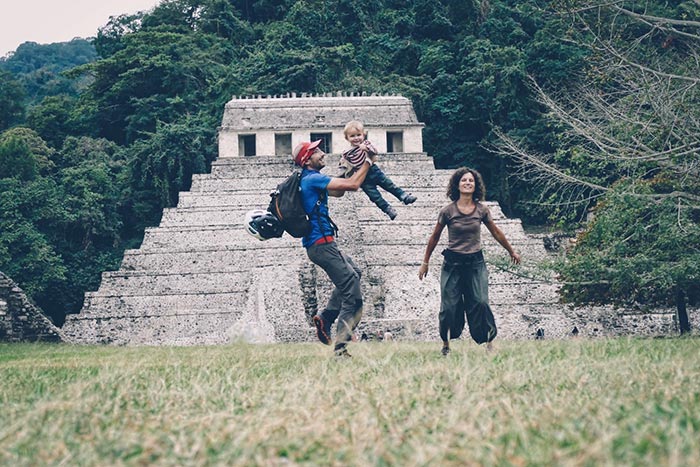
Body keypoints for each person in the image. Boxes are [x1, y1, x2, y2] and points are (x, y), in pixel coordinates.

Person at [418, 167, 521, 355]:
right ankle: (446, 344)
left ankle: (489, 342)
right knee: (449, 307)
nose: (467, 183)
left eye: (471, 181)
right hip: (452, 264)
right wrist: (425, 262)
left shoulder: (482, 210)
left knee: (481, 302)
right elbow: (434, 237)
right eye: (464, 180)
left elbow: (496, 232)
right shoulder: (447, 211)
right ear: (457, 185)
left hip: (475, 263)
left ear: (476, 186)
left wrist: (511, 251)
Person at [293, 139, 372, 357]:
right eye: (317, 151)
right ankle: (340, 348)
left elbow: (339, 191)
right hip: (322, 244)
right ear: (307, 160)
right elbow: (354, 185)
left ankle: (326, 317)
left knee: (354, 272)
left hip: (322, 244)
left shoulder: (309, 180)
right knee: (353, 295)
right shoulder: (312, 179)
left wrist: (348, 166)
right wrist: (368, 162)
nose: (322, 153)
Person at [339, 120, 417, 220]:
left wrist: (366, 149)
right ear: (347, 138)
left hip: (373, 170)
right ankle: (388, 209)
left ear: (364, 135)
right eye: (352, 136)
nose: (356, 138)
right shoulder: (347, 152)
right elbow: (344, 164)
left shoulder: (366, 144)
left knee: (388, 184)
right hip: (362, 177)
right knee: (374, 196)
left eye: (358, 135)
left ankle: (403, 196)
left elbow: (375, 152)